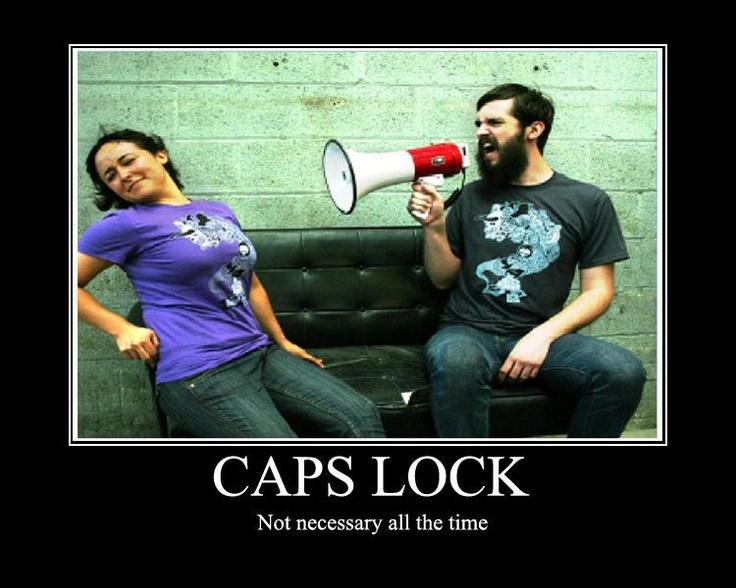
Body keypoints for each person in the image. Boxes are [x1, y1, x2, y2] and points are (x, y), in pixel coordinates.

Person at [78, 129, 385, 438]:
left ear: (160, 155)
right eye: (111, 175)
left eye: (128, 161)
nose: (123, 175)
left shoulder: (218, 211)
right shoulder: (124, 225)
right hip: (199, 371)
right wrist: (121, 328)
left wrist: (282, 341)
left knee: (359, 415)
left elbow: (250, 283)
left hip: (257, 352)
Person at [407, 84, 646, 438]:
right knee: (456, 362)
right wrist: (435, 226)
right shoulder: (472, 196)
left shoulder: (588, 200)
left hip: (542, 333)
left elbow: (599, 291)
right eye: (478, 123)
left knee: (623, 371)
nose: (480, 131)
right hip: (466, 331)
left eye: (494, 122)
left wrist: (541, 337)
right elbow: (442, 278)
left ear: (534, 129)